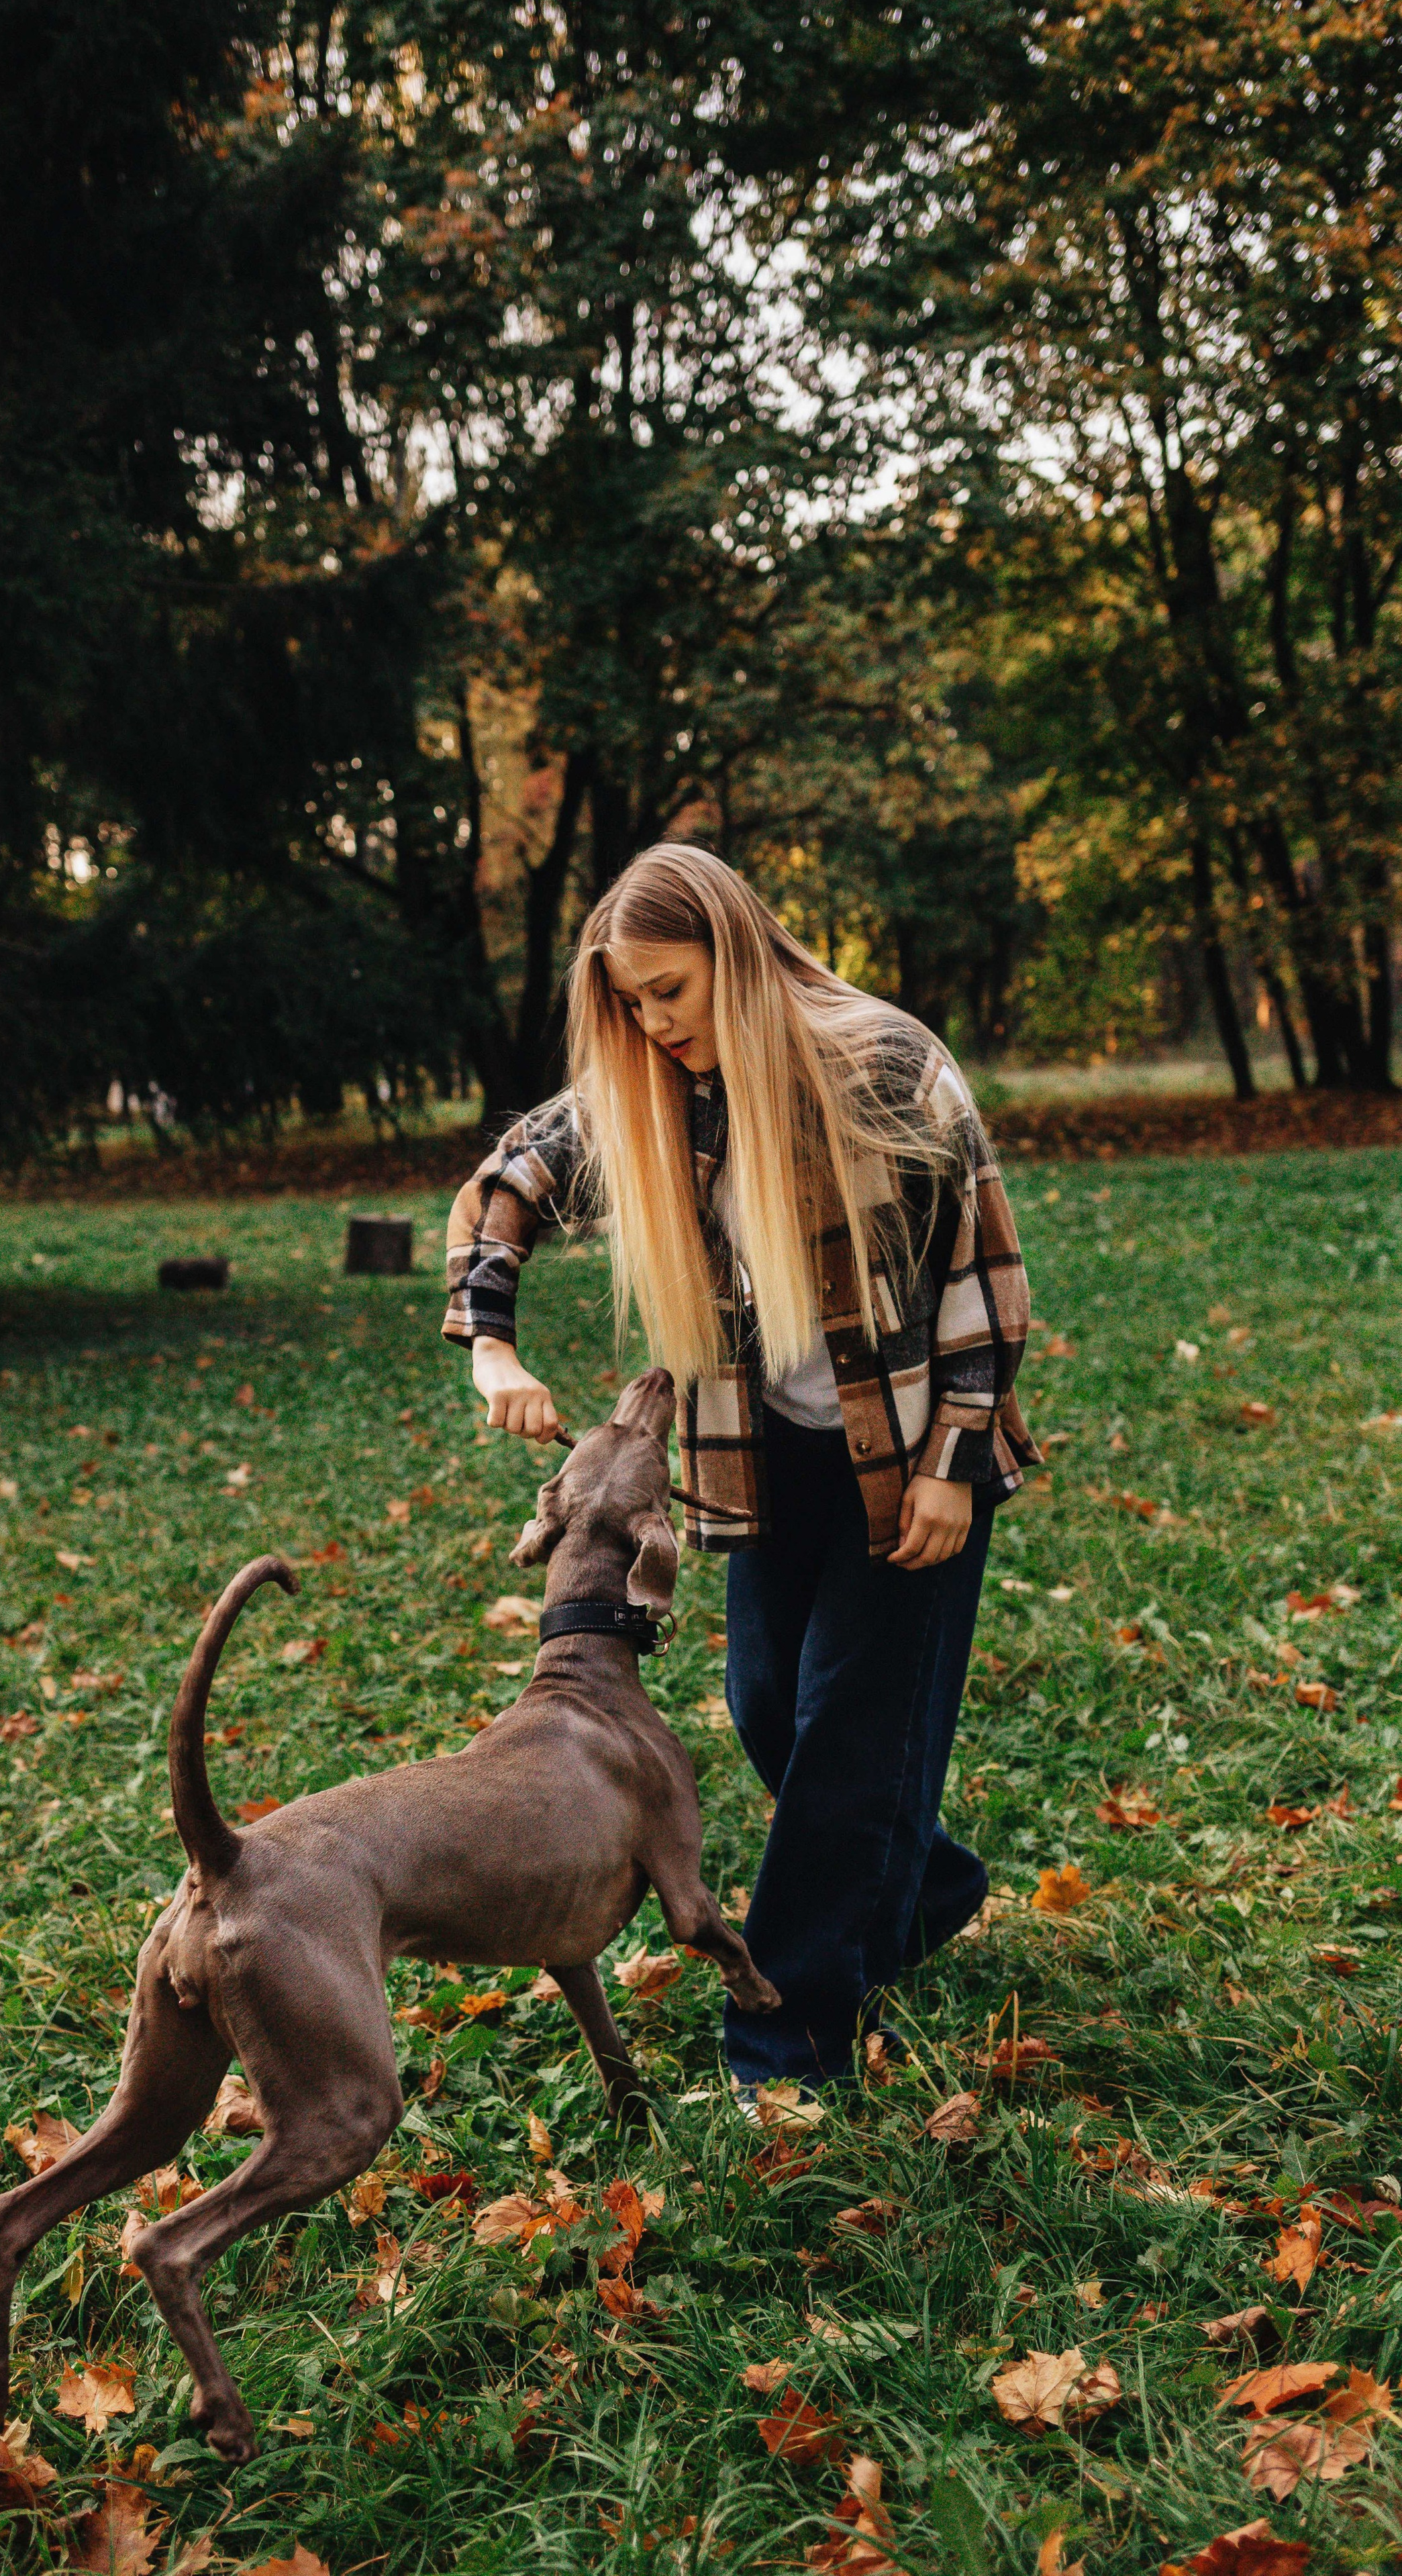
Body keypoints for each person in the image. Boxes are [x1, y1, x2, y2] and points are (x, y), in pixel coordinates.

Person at [440, 842, 1039, 2100]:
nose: (653, 1026)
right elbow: (507, 1184)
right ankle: (923, 1886)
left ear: (736, 949)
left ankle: (790, 2041)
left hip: (916, 1458)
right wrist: (490, 1347)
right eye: (631, 1003)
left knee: (847, 1737)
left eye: (670, 990)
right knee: (771, 1702)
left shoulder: (884, 1064)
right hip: (765, 1458)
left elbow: (981, 1271)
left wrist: (954, 1460)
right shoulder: (656, 1087)